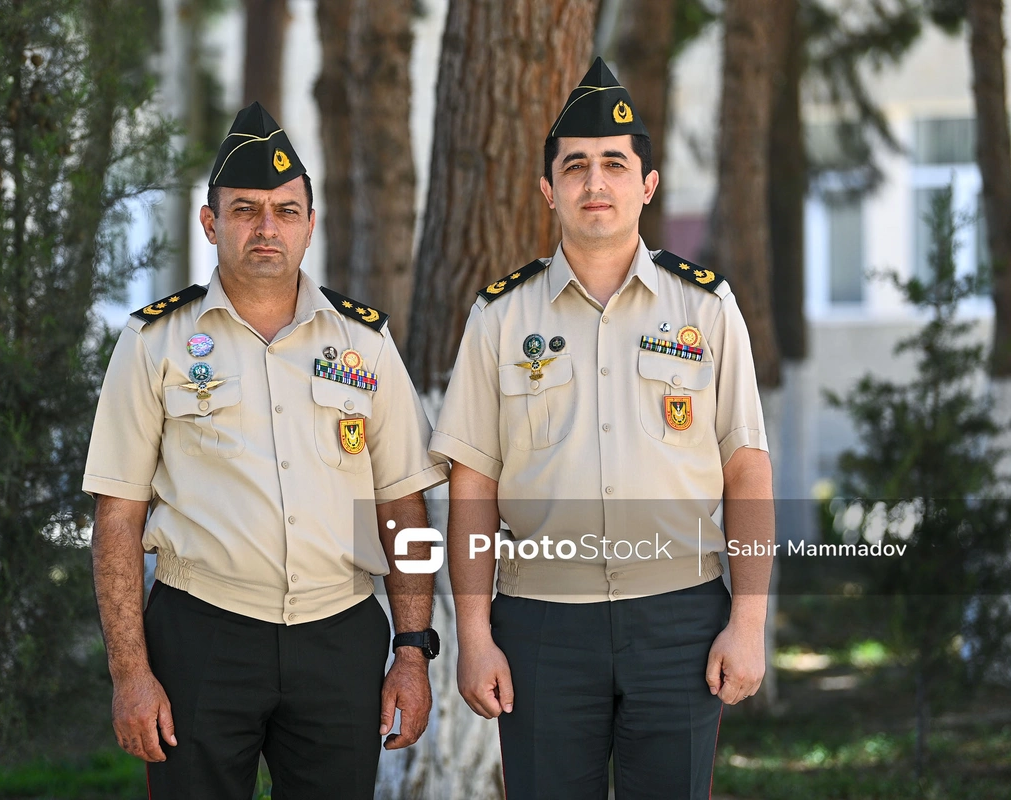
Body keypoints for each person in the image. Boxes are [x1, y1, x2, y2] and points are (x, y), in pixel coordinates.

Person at [429, 58, 775, 800]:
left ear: (646, 186)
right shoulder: (501, 318)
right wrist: (476, 635)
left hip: (680, 620)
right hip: (541, 629)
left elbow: (747, 469)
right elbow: (472, 486)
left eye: (615, 164)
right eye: (576, 165)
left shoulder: (706, 309)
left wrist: (748, 622)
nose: (596, 182)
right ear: (549, 189)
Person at [84, 101, 449, 800]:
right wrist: (131, 673)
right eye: (246, 209)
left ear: (310, 225)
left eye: (285, 210)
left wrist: (413, 652)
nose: (266, 227)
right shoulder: (153, 343)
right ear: (210, 222)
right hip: (201, 637)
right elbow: (117, 518)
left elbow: (404, 507)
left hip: (339, 639)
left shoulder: (364, 343)